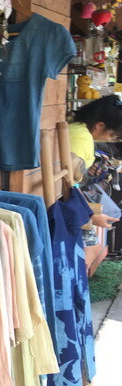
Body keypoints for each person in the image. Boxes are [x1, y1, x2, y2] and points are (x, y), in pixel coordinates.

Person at [69, 95, 122, 269]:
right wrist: (90, 214)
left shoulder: (75, 126)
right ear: (100, 125)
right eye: (112, 134)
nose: (111, 138)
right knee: (90, 249)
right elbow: (69, 182)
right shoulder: (82, 137)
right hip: (64, 200)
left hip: (65, 197)